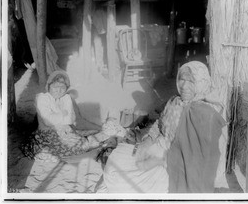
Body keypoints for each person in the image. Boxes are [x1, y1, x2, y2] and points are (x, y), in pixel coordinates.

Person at [101, 61, 225, 193]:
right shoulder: (174, 102)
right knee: (115, 161)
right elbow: (159, 124)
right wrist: (148, 141)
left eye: (191, 81)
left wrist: (165, 159)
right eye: (182, 79)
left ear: (201, 83)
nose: (184, 85)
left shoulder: (206, 113)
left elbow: (202, 155)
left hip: (177, 163)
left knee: (124, 179)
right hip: (159, 148)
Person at [21, 70, 126, 163]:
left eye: (62, 87)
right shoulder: (42, 98)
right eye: (55, 86)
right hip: (47, 135)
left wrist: (60, 117)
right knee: (76, 148)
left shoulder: (65, 98)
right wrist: (63, 115)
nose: (59, 90)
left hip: (66, 132)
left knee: (85, 142)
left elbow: (70, 120)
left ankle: (101, 143)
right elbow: (48, 121)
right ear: (49, 86)